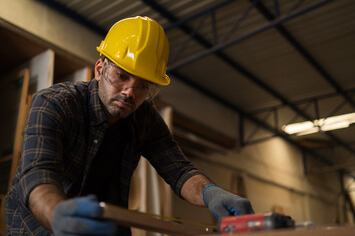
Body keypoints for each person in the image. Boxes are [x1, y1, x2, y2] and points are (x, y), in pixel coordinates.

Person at [5, 16, 254, 236]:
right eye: (122, 76)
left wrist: (211, 192)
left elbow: (179, 171)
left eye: (143, 85)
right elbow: (38, 176)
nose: (130, 92)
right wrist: (57, 214)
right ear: (100, 69)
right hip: (40, 226)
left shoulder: (145, 117)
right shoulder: (54, 103)